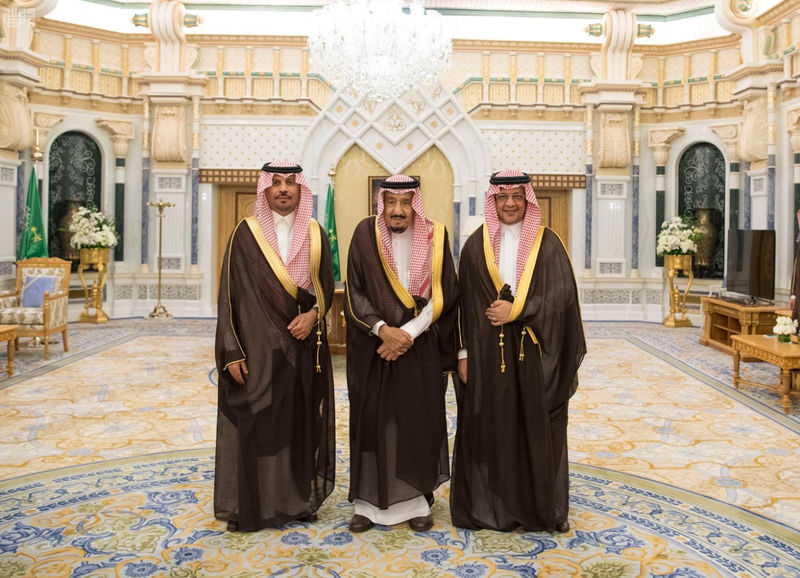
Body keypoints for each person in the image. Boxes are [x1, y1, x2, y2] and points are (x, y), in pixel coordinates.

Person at [450, 169, 586, 533]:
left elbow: (562, 297)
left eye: (516, 197)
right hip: (484, 357)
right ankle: (489, 507)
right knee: (492, 428)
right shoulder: (476, 244)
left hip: (533, 356)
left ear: (527, 199)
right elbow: (460, 304)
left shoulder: (549, 243)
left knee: (534, 430)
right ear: (492, 201)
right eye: (502, 197)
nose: (510, 204)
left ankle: (538, 509)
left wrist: (519, 310)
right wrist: (462, 354)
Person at [214, 160, 335, 531]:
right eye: (276, 182)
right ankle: (253, 506)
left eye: (291, 183)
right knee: (258, 424)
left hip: (302, 348)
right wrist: (232, 349)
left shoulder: (315, 233)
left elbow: (326, 287)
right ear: (265, 189)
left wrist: (314, 315)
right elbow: (228, 295)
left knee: (299, 425)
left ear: (301, 189)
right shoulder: (245, 233)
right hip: (256, 352)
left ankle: (294, 503)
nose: (284, 189)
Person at [344, 174, 458, 533]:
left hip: (418, 346)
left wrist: (407, 333)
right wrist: (383, 330)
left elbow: (444, 294)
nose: (398, 210)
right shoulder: (364, 234)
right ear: (382, 204)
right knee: (373, 421)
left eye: (405, 203)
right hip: (373, 346)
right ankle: (367, 504)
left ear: (415, 205)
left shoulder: (435, 236)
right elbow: (355, 291)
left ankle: (417, 501)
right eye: (391, 203)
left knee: (416, 422)